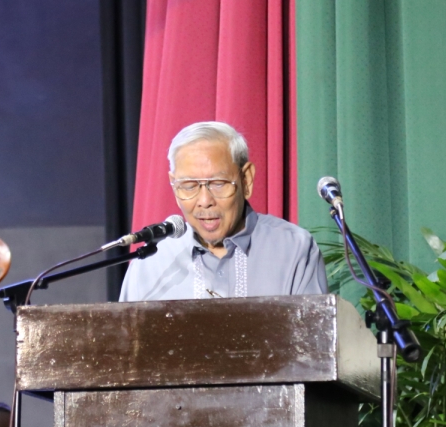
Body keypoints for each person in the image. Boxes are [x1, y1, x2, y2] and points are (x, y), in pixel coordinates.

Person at [120, 121, 328, 301]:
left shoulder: (294, 249)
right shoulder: (150, 262)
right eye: (189, 186)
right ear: (174, 185)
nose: (204, 201)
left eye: (218, 183)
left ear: (246, 180)